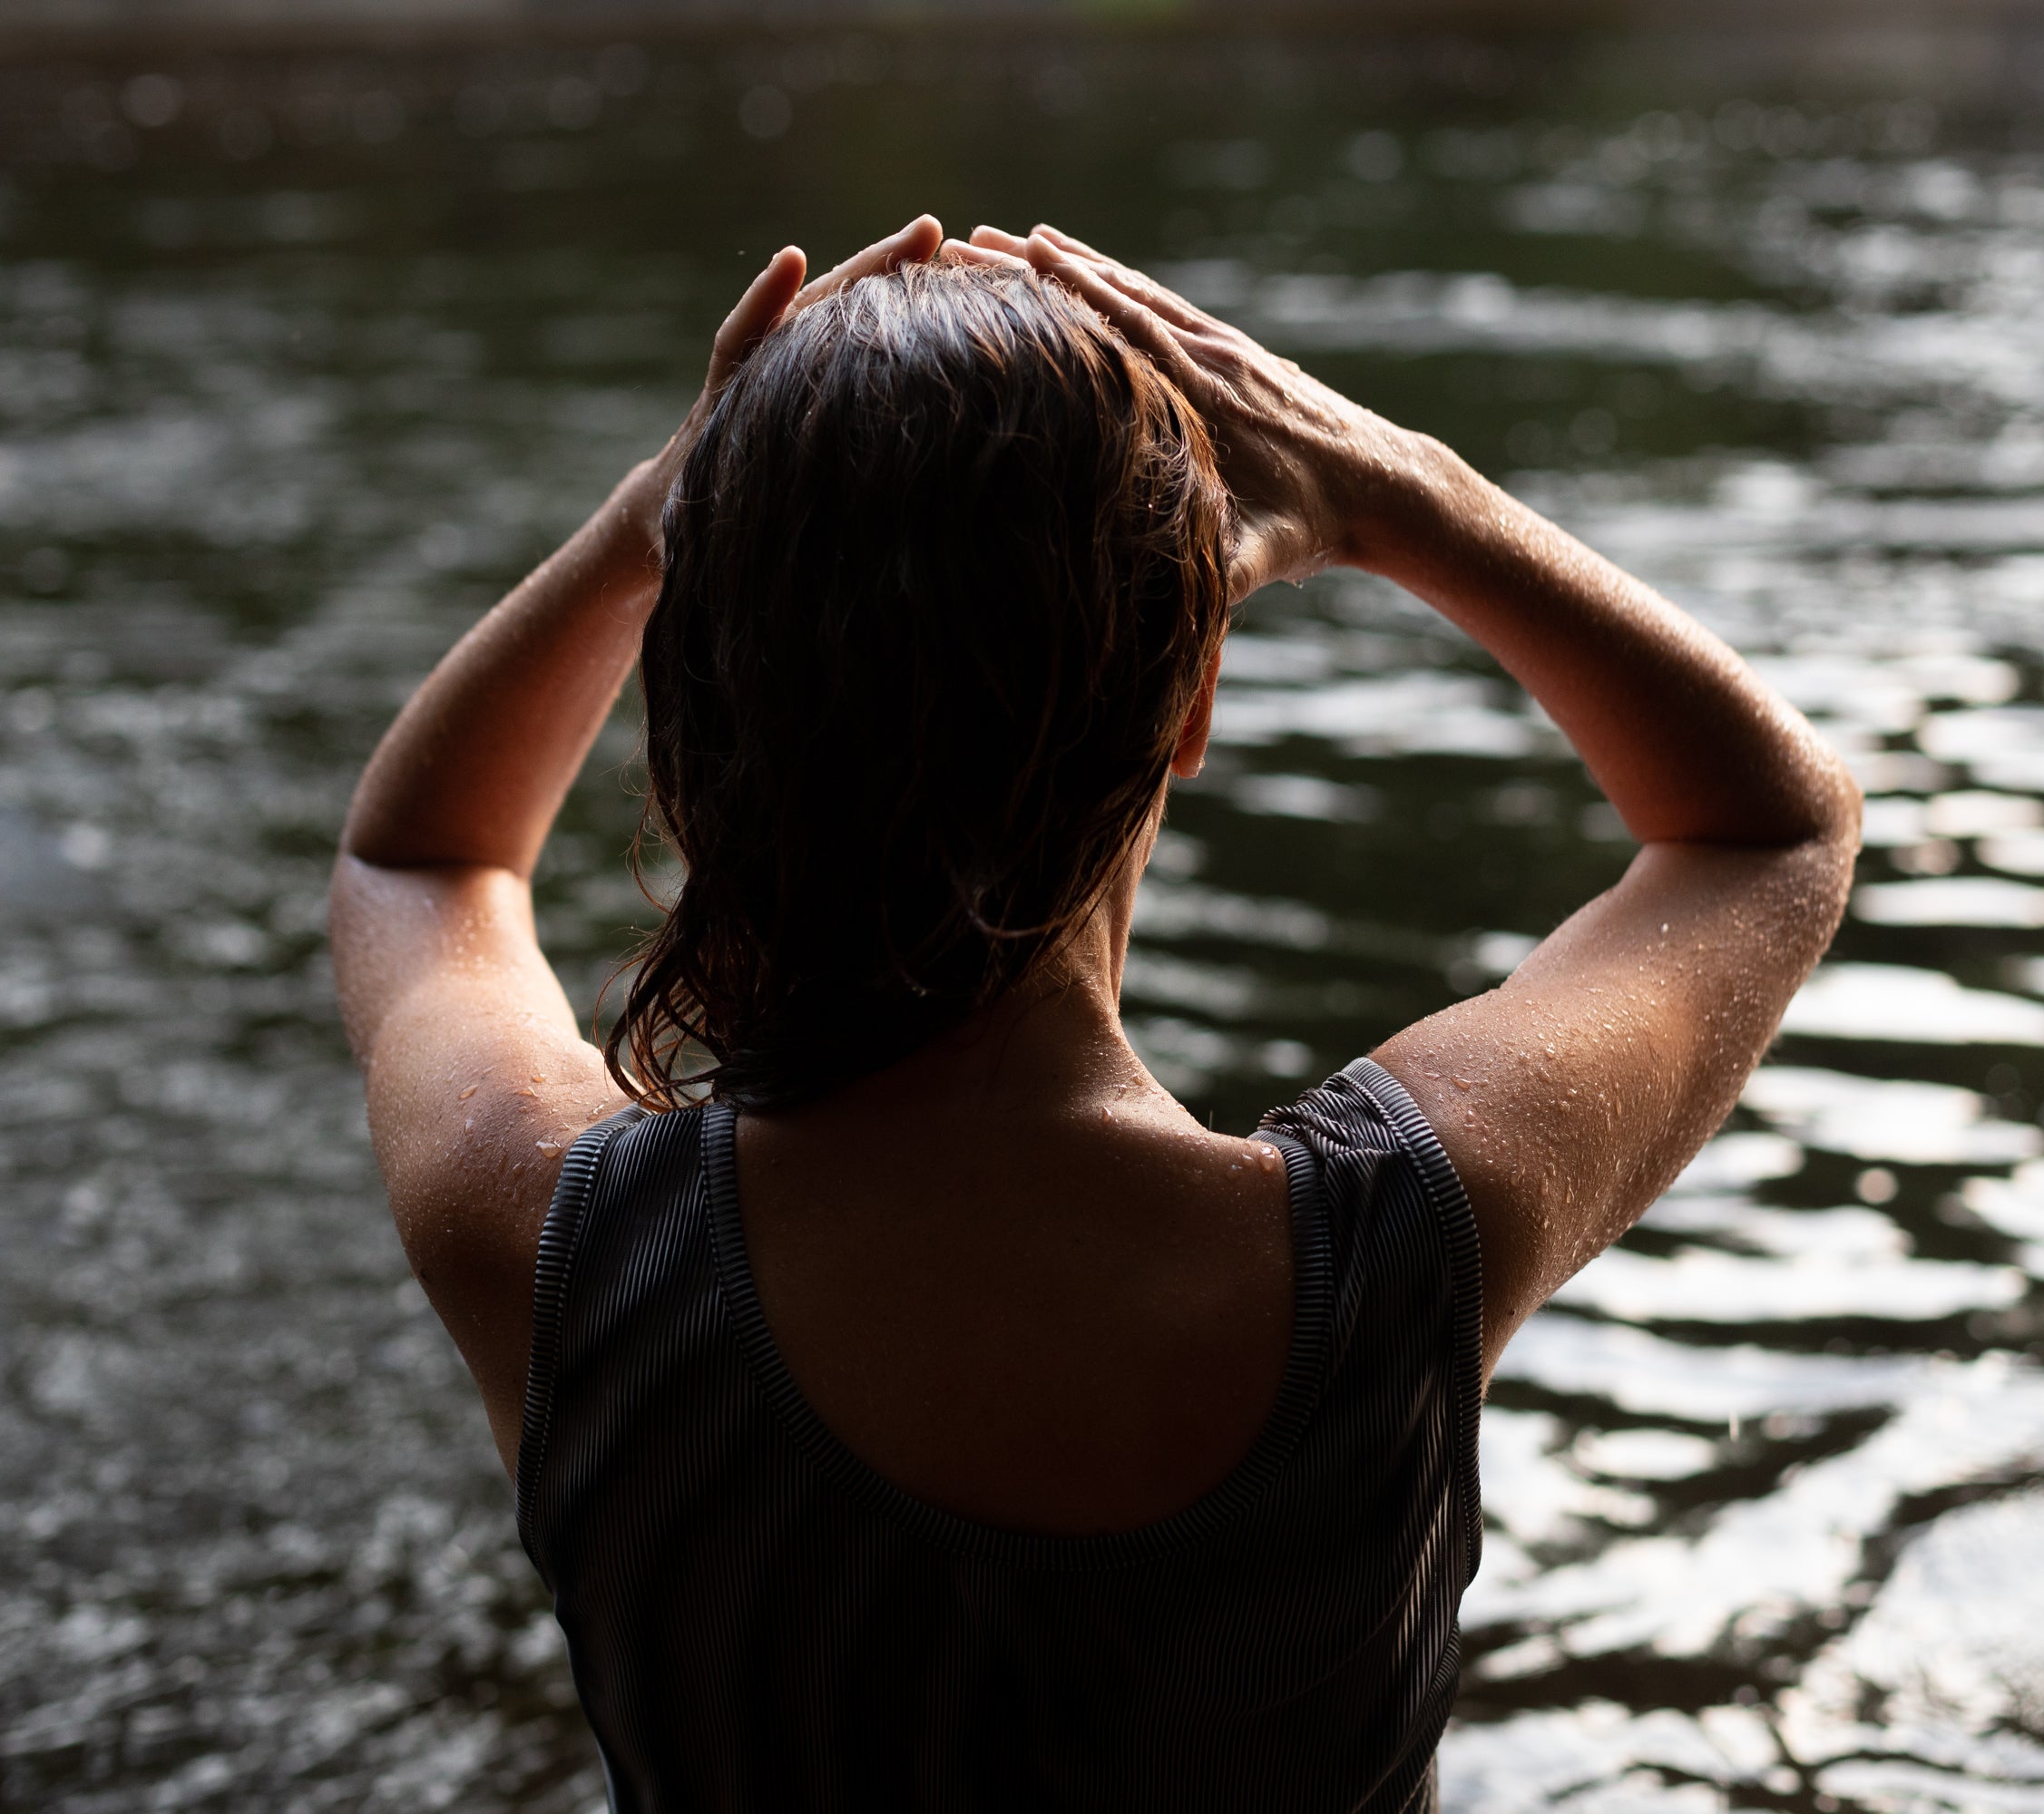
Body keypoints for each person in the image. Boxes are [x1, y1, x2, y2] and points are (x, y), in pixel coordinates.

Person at [330, 213, 1858, 1810]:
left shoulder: (553, 1247)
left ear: (690, 712)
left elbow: (421, 855)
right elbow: (1768, 830)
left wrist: (666, 516)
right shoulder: (1404, 1242)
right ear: (1192, 701)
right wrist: (1410, 494)